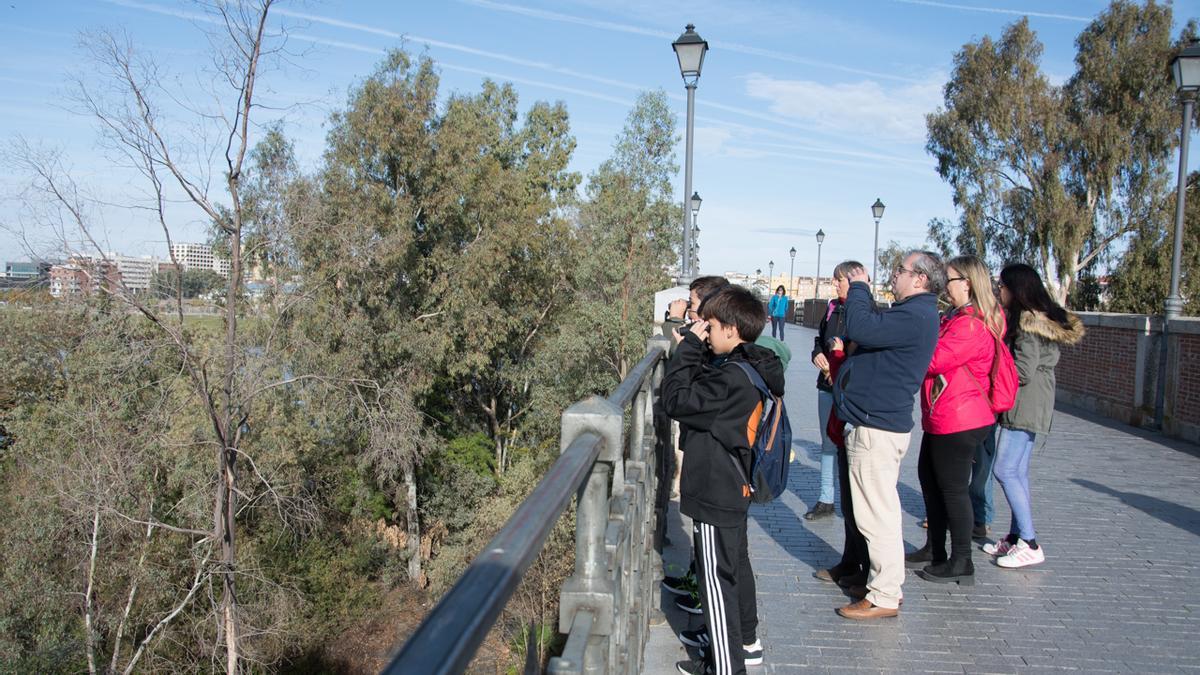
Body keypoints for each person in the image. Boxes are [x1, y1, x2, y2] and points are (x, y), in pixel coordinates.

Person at [663, 285, 783, 675]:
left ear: (731, 330)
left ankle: (727, 668)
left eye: (710, 327)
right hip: (731, 489)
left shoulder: (732, 380)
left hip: (717, 491)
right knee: (727, 576)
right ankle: (734, 654)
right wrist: (698, 348)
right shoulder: (746, 367)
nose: (705, 332)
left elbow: (677, 400)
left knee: (716, 586)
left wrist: (687, 350)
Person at [832, 250, 943, 620]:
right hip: (876, 424)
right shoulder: (915, 314)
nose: (893, 275)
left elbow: (861, 328)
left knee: (875, 516)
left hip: (876, 429)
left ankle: (884, 595)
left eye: (900, 270)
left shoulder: (916, 314)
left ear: (920, 280)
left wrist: (860, 287)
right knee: (880, 511)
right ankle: (883, 585)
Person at [905, 255, 1004, 586]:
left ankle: (962, 560)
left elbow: (932, 360)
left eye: (948, 280)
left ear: (968, 283)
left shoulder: (971, 324)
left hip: (960, 417)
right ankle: (935, 549)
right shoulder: (956, 317)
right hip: (944, 414)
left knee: (952, 489)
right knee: (931, 481)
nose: (943, 287)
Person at [984, 263, 1084, 568]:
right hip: (1035, 403)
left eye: (1001, 286)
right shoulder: (1041, 319)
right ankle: (1016, 537)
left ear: (1017, 290)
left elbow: (1022, 371)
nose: (998, 291)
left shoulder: (1027, 324)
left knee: (1004, 470)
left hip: (1023, 405)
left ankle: (1029, 541)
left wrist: (992, 369)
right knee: (1018, 471)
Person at [806, 261, 862, 521]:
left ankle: (854, 500)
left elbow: (863, 350)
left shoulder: (863, 311)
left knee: (852, 444)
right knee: (828, 441)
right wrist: (817, 355)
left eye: (839, 279)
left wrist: (839, 364)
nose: (835, 284)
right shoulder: (831, 308)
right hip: (825, 384)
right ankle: (825, 498)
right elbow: (819, 339)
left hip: (850, 387)